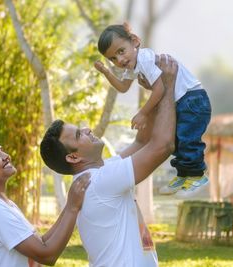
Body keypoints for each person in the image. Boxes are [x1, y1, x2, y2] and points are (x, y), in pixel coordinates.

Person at [40, 56, 177, 267]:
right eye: (79, 135)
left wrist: (154, 94)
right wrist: (168, 85)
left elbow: (142, 141)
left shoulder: (102, 172)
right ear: (73, 157)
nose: (87, 129)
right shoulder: (99, 181)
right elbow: (162, 146)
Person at [94, 23, 212, 198]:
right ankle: (183, 174)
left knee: (187, 138)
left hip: (192, 99)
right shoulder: (133, 66)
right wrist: (106, 72)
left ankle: (197, 174)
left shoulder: (145, 59)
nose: (119, 60)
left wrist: (143, 113)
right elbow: (123, 87)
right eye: (112, 59)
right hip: (180, 101)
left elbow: (160, 90)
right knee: (177, 139)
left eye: (121, 51)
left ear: (134, 41)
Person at [0, 136, 90, 267]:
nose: (6, 156)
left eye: (1, 150)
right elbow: (47, 255)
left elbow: (41, 243)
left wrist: (69, 205)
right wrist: (72, 208)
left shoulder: (4, 204)